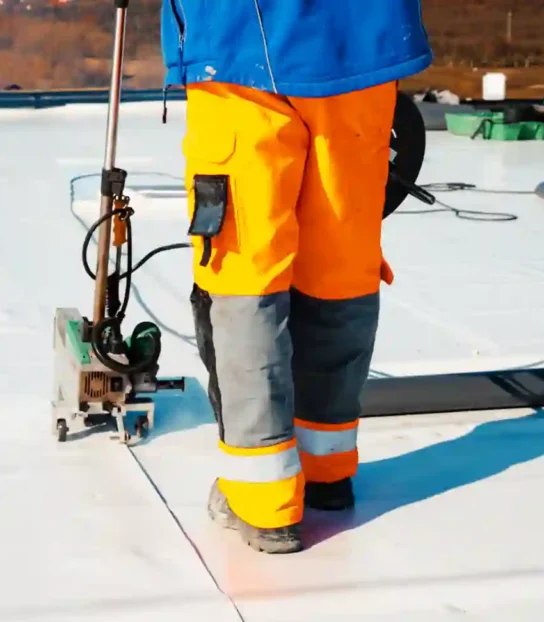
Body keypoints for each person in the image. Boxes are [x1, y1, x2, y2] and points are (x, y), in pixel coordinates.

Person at [160, 0, 432, 554]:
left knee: (245, 273)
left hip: (240, 50)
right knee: (341, 264)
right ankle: (326, 469)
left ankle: (263, 500)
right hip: (364, 47)